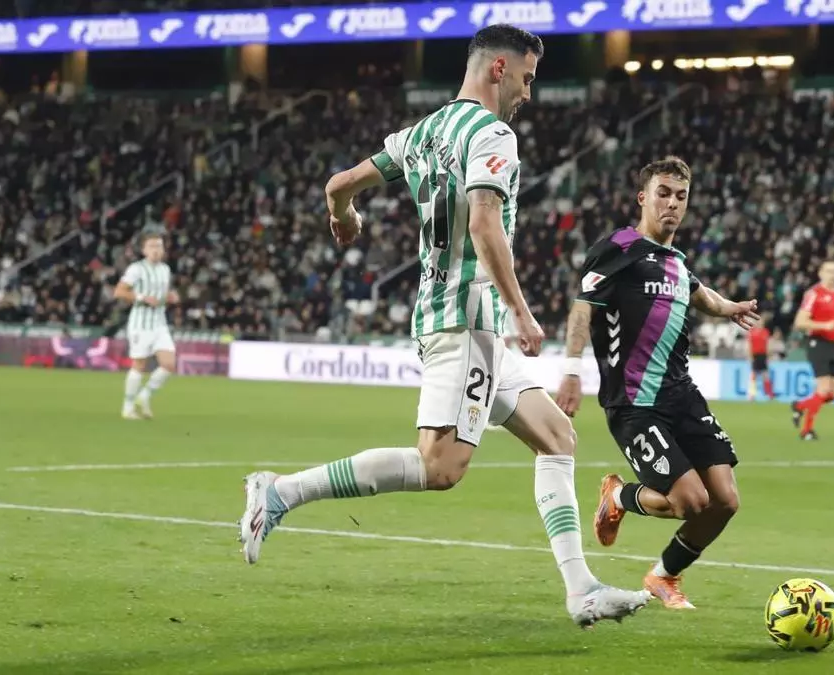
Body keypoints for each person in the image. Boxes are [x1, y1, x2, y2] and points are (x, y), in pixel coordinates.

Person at [237, 24, 650, 628]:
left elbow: (339, 184)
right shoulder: (492, 134)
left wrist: (344, 217)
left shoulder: (422, 133)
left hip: (461, 320)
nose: (529, 93)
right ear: (500, 69)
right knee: (439, 467)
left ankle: (580, 588)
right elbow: (484, 224)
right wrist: (521, 310)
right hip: (465, 320)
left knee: (557, 436)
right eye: (527, 78)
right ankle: (280, 491)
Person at [555, 157, 760, 610]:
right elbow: (583, 307)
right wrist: (570, 369)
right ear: (642, 198)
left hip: (682, 395)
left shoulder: (676, 263)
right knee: (690, 502)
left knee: (725, 501)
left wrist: (729, 308)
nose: (672, 203)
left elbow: (698, 292)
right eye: (663, 193)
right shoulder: (619, 247)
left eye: (680, 196)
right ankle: (619, 495)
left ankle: (664, 575)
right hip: (634, 404)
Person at [113, 232, 179, 420]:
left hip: (159, 323)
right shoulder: (136, 269)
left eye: (159, 246)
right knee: (139, 365)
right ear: (143, 250)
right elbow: (119, 292)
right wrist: (142, 297)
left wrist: (170, 297)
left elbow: (161, 296)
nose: (156, 250)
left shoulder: (165, 269)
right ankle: (127, 407)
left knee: (169, 364)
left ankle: (144, 396)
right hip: (140, 324)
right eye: (152, 246)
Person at [790, 261, 834, 440]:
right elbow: (800, 322)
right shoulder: (813, 294)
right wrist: (824, 326)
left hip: (832, 344)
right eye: (829, 271)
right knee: (823, 389)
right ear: (820, 273)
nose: (833, 275)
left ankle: (800, 406)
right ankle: (806, 431)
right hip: (817, 342)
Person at [746, 315, 775, 402]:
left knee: (765, 376)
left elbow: (768, 345)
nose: (760, 323)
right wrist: (750, 356)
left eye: (761, 321)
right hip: (755, 356)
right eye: (758, 321)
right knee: (753, 376)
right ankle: (752, 395)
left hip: (763, 356)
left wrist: (768, 356)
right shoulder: (752, 332)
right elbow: (749, 345)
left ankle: (770, 394)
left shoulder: (765, 332)